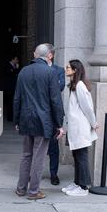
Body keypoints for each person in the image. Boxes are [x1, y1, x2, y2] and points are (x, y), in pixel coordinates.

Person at [14, 44, 65, 200]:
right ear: (49, 55)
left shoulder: (23, 71)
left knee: (26, 155)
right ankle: (34, 191)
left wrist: (16, 119)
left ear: (36, 55)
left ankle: (21, 188)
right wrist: (59, 124)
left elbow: (17, 98)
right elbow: (55, 101)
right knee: (39, 156)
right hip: (44, 121)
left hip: (26, 119)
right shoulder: (51, 73)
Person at [62, 60, 99, 197]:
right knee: (77, 156)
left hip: (80, 127)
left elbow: (87, 107)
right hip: (75, 127)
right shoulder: (74, 85)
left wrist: (93, 123)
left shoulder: (80, 86)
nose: (66, 69)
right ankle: (77, 183)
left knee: (81, 156)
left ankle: (83, 187)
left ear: (75, 70)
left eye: (68, 68)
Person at [45, 44, 66, 186]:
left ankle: (54, 174)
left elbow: (61, 86)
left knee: (53, 147)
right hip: (38, 114)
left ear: (50, 55)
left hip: (53, 114)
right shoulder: (34, 69)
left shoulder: (59, 70)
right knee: (35, 146)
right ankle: (33, 173)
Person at [4, 56, 20, 122]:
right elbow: (12, 74)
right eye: (16, 59)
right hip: (9, 87)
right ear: (12, 59)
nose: (17, 61)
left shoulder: (14, 66)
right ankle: (9, 117)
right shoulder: (8, 66)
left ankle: (12, 116)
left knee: (13, 102)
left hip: (13, 87)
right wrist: (16, 69)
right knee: (9, 102)